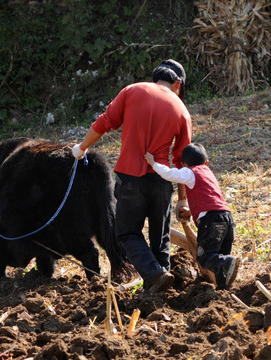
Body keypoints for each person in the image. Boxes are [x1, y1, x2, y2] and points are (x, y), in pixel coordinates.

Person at [72, 59, 192, 293]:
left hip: (130, 179)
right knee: (160, 238)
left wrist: (81, 148)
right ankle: (162, 287)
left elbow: (105, 122)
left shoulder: (132, 90)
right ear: (177, 84)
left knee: (127, 233)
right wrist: (182, 199)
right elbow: (182, 161)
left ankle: (155, 275)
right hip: (162, 181)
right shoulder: (181, 109)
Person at [144, 143, 240, 289]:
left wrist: (153, 163)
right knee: (219, 259)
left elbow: (169, 174)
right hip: (226, 217)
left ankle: (227, 263)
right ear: (206, 161)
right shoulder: (208, 173)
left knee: (205, 257)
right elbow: (208, 199)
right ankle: (224, 287)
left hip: (211, 221)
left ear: (184, 164)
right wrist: (191, 212)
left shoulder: (190, 172)